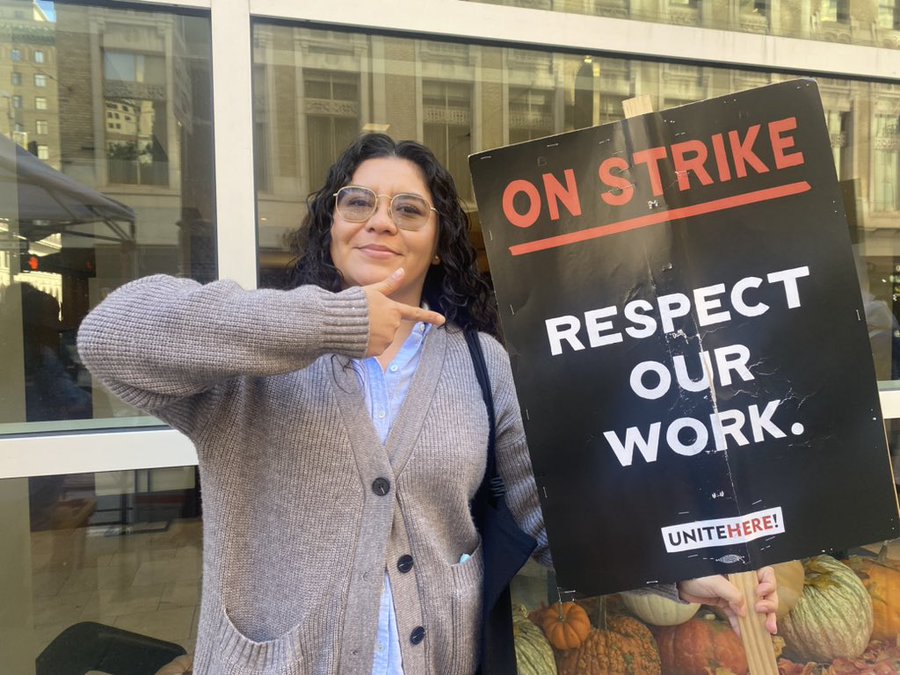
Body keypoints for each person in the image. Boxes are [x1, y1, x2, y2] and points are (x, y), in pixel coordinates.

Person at [77, 133, 777, 675]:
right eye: (359, 203)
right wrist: (335, 322)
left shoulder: (478, 361)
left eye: (408, 209)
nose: (380, 221)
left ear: (438, 243)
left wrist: (681, 560)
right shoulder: (254, 361)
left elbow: (550, 506)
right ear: (332, 223)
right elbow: (109, 336)